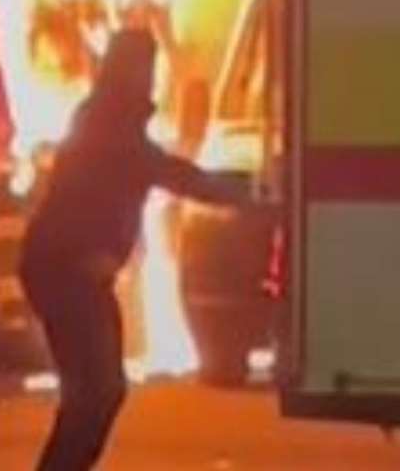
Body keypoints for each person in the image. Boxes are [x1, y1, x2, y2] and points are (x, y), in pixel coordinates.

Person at [20, 27, 256, 471]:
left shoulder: (111, 117)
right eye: (144, 67)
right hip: (66, 273)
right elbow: (165, 171)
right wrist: (239, 193)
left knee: (99, 393)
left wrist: (233, 190)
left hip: (75, 274)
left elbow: (161, 169)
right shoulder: (108, 123)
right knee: (96, 392)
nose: (150, 77)